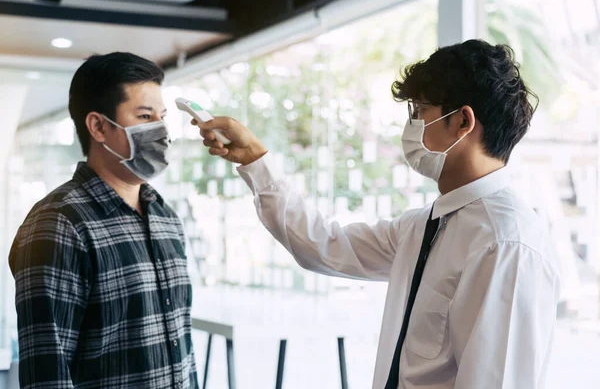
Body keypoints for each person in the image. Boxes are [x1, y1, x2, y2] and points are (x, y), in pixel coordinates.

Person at [198, 39, 560, 388]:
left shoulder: (506, 243)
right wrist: (255, 160)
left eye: (420, 112)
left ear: (462, 122)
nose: (411, 126)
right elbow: (324, 245)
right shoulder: (425, 226)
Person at [9, 53, 198, 388]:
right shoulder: (58, 223)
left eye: (162, 117)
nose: (162, 131)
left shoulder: (165, 216)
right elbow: (47, 371)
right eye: (144, 116)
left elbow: (181, 349)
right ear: (98, 126)